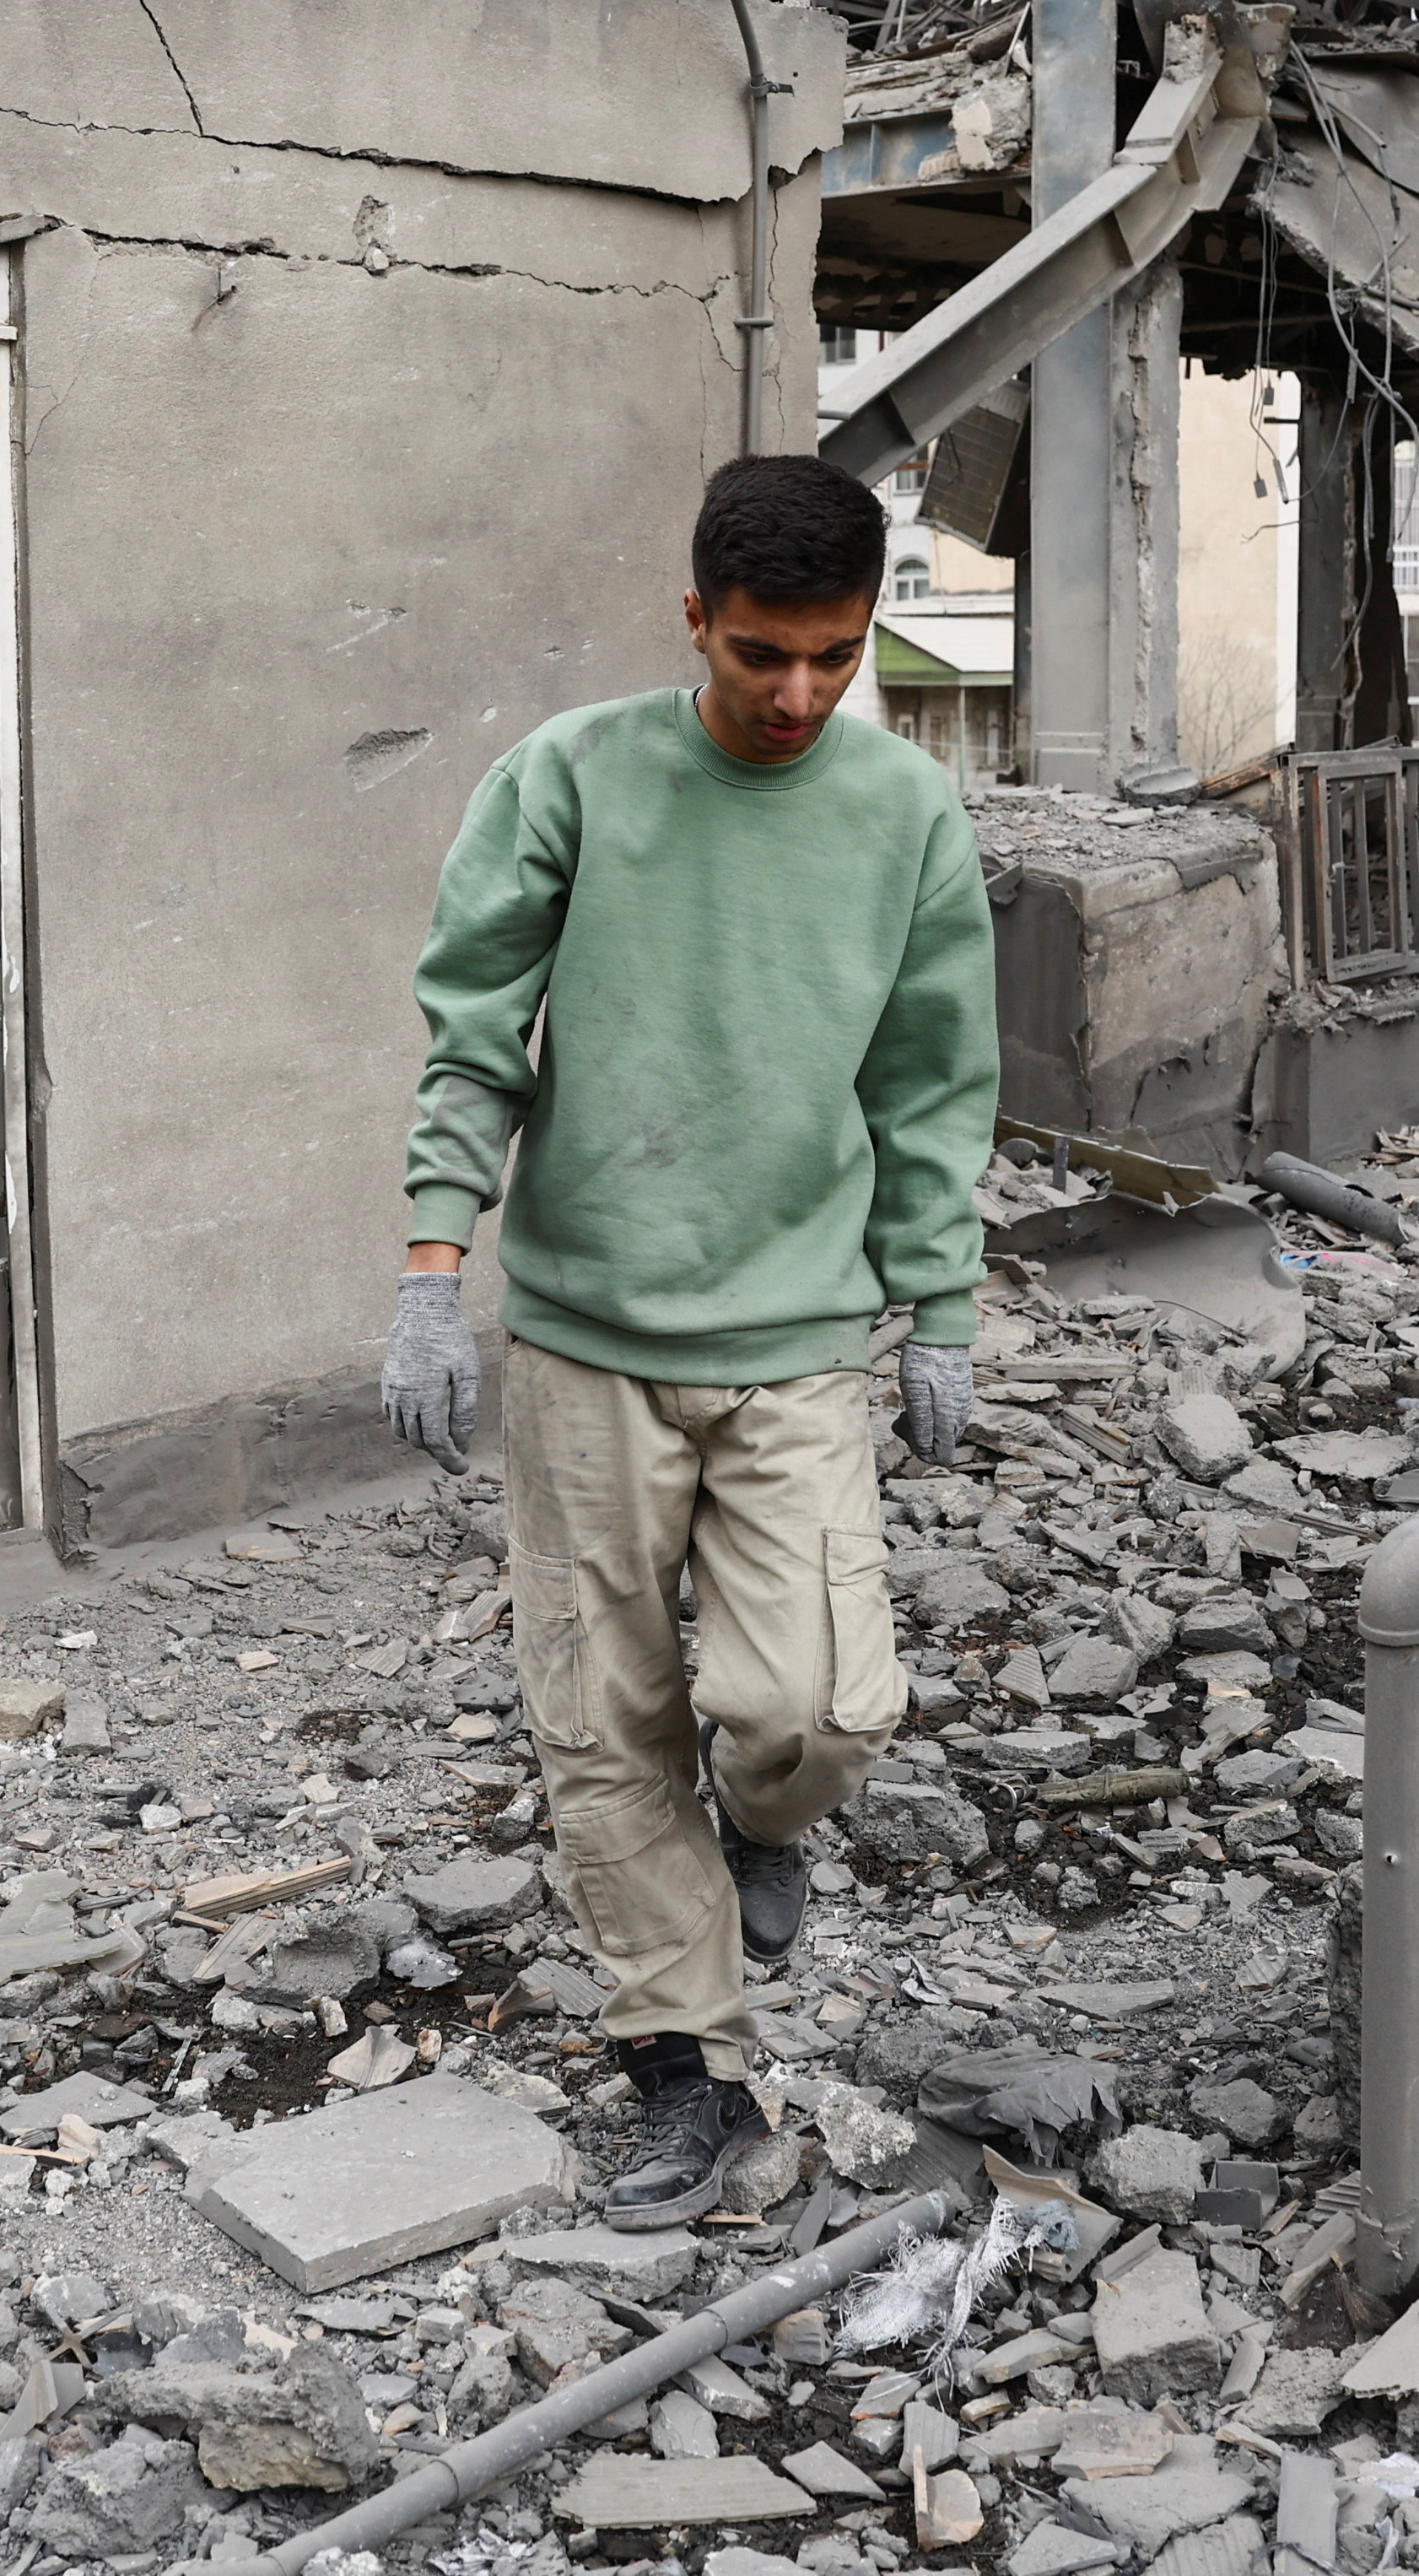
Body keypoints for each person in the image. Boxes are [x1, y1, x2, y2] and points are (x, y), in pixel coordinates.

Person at [376, 453, 1000, 2228]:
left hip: (797, 1330)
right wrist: (435, 1267)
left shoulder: (904, 816)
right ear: (691, 622)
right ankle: (687, 2070)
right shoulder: (568, 780)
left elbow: (936, 1081)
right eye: (756, 656)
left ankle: (770, 1822)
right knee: (603, 1720)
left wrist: (937, 1305)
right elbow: (473, 1031)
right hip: (583, 1339)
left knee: (815, 1706)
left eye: (831, 655)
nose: (794, 694)